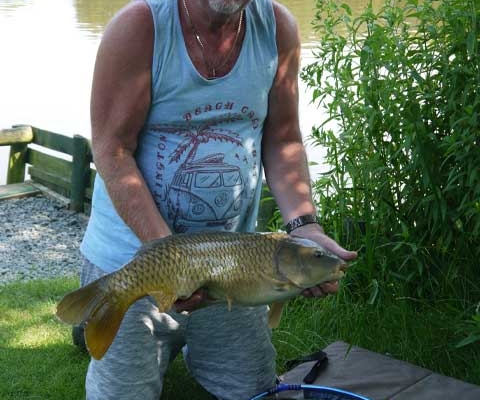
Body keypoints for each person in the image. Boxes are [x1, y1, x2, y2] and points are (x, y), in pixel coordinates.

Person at [79, 0, 358, 399]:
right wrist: (171, 260)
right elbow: (111, 150)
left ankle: (195, 345)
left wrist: (305, 225)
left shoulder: (277, 28)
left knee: (253, 391)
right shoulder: (139, 28)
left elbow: (283, 139)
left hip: (238, 266)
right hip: (131, 258)